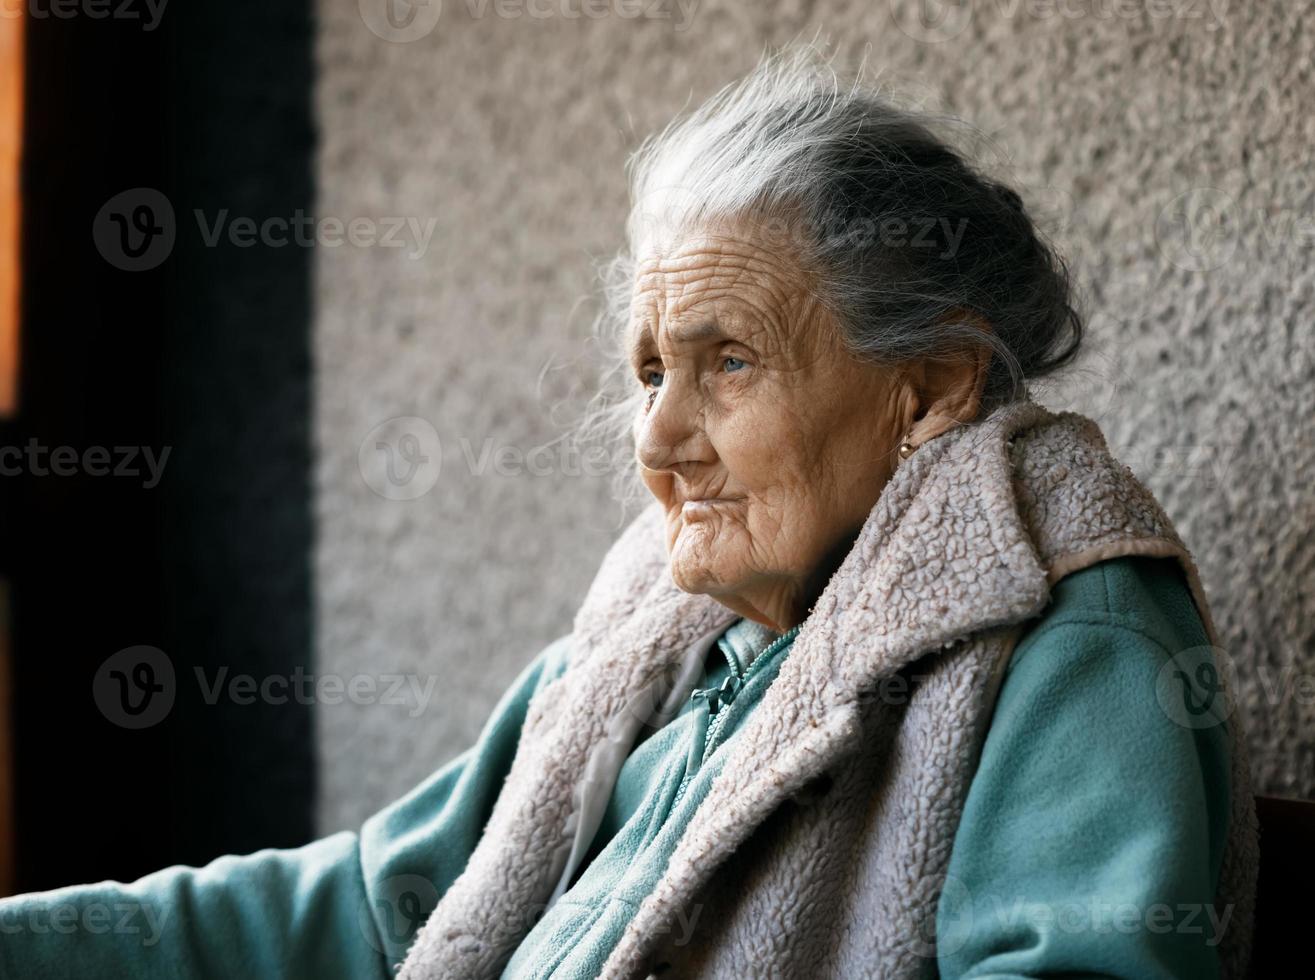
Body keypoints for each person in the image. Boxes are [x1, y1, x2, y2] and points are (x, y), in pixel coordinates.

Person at [0, 46, 1257, 980]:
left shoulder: (1063, 635)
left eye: (729, 362)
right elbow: (384, 901)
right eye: (652, 367)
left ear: (925, 388)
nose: (656, 440)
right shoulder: (666, 637)